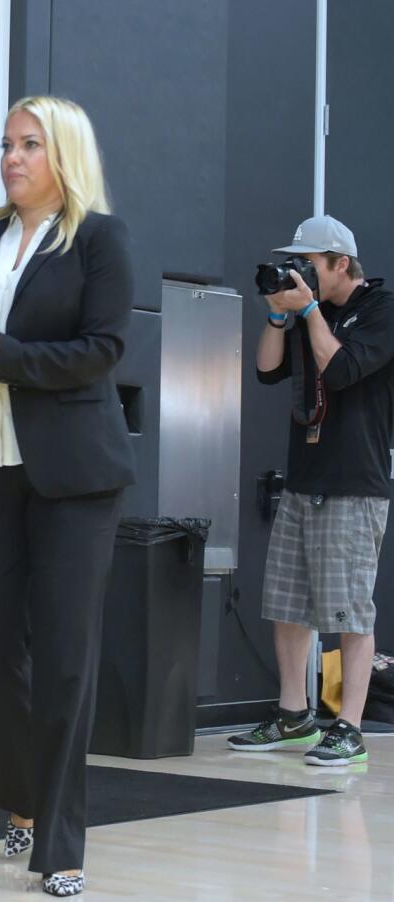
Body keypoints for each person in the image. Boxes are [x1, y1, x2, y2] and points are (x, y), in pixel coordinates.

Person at [0, 96, 135, 897]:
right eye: (7, 144)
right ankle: (21, 797)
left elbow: (102, 349)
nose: (12, 158)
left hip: (73, 476)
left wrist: (3, 354)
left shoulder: (100, 239)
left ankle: (62, 844)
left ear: (63, 154)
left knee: (67, 658)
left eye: (30, 145)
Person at [228, 216, 394, 767]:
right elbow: (265, 369)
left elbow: (342, 370)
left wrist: (309, 312)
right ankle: (293, 715)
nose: (301, 272)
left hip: (354, 482)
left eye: (310, 263)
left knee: (349, 610)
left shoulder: (381, 311)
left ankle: (349, 726)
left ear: (341, 263)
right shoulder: (304, 311)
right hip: (303, 477)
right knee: (287, 602)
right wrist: (279, 314)